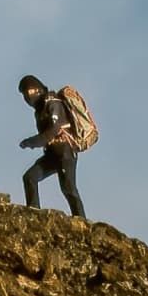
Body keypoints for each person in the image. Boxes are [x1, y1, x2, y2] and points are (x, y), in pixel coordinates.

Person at [17, 75, 85, 218]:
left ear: (38, 90)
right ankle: (33, 212)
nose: (28, 98)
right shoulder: (39, 111)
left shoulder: (52, 103)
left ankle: (81, 220)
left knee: (68, 188)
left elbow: (54, 130)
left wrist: (32, 142)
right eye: (25, 95)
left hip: (65, 151)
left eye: (29, 93)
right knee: (30, 177)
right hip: (52, 154)